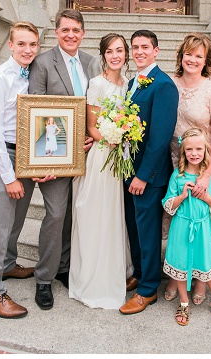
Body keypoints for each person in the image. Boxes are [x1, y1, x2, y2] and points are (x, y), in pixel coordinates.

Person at [26, 9, 99, 308]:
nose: (71, 35)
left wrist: (95, 136)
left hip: (89, 152)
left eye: (76, 30)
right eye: (65, 30)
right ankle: (44, 278)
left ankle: (64, 268)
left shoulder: (91, 63)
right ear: (56, 32)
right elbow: (34, 111)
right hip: (54, 152)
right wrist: (43, 157)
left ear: (83, 33)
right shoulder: (42, 63)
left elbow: (100, 105)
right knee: (56, 214)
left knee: (75, 214)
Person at [0, 21, 48, 318]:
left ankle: (7, 265)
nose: (27, 50)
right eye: (21, 44)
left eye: (32, 44)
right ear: (10, 45)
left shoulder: (31, 75)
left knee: (17, 220)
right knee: (1, 226)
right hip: (5, 155)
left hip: (26, 154)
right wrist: (9, 177)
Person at [162, 32, 211, 305]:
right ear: (181, 56)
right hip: (178, 162)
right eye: (188, 54)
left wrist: (207, 173)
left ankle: (201, 282)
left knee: (204, 224)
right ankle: (176, 275)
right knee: (179, 221)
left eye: (199, 56)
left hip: (208, 162)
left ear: (206, 61)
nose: (192, 59)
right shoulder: (169, 84)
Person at [69, 34, 134, 309]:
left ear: (126, 54)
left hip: (122, 155)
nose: (115, 55)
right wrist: (112, 136)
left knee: (116, 214)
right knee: (95, 212)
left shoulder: (129, 85)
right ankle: (91, 277)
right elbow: (92, 127)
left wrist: (126, 136)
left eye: (120, 50)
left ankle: (117, 269)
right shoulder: (95, 84)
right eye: (110, 51)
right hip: (101, 156)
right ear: (103, 55)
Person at [119, 30, 179, 315]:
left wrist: (143, 176)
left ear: (157, 50)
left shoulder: (164, 85)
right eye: (135, 47)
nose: (139, 51)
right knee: (134, 227)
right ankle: (141, 274)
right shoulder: (134, 82)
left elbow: (160, 136)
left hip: (149, 175)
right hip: (129, 168)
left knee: (148, 230)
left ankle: (148, 289)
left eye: (145, 47)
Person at [162, 128, 211, 326]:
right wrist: (182, 196)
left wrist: (206, 196)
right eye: (189, 149)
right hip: (181, 227)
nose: (194, 153)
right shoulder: (178, 175)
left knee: (208, 264)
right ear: (183, 152)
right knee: (181, 264)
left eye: (198, 149)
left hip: (202, 228)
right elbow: (167, 202)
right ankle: (184, 302)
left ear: (205, 150)